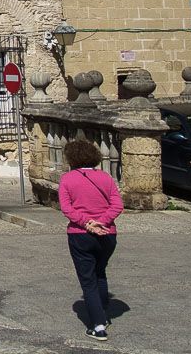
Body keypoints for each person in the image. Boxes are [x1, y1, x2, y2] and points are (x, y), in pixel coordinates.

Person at [58, 139, 124, 342]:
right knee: (100, 271)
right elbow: (117, 205)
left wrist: (87, 223)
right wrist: (102, 222)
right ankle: (102, 308)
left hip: (80, 234)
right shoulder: (105, 177)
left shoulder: (67, 179)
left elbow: (66, 208)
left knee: (88, 280)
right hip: (107, 234)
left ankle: (98, 326)